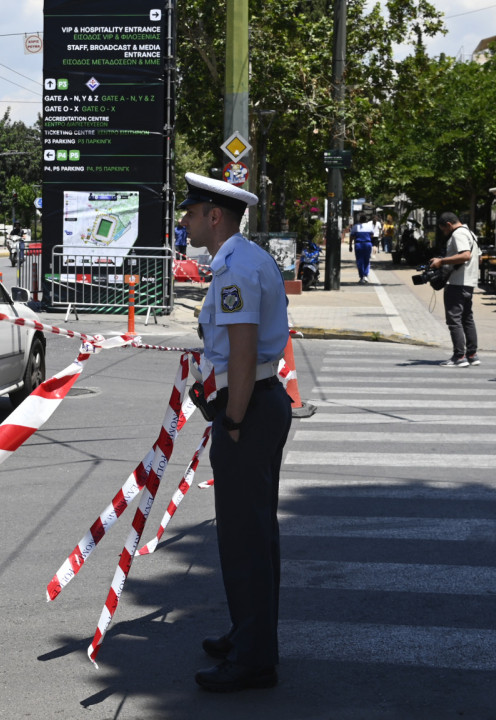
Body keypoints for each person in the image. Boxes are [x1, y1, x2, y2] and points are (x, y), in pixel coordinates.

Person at [178, 172, 291, 693]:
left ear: (214, 216)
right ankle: (251, 634)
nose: (185, 220)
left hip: (250, 407)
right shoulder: (245, 258)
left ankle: (253, 659)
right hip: (261, 402)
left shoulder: (233, 269)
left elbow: (242, 351)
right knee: (256, 533)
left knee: (243, 540)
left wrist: (235, 419)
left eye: (191, 212)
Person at [430, 212, 481, 367]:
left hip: (457, 283)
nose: (444, 233)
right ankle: (472, 354)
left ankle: (459, 356)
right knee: (467, 318)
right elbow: (478, 256)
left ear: (449, 225)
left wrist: (441, 261)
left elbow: (465, 255)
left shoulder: (458, 234)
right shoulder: (471, 234)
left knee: (454, 320)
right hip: (469, 282)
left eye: (444, 230)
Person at [351, 212, 374, 283]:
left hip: (359, 244)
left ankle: (361, 277)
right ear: (365, 220)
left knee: (359, 261)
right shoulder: (369, 226)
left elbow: (352, 236)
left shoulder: (355, 227)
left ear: (360, 220)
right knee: (367, 260)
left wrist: (350, 245)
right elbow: (372, 235)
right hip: (367, 244)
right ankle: (366, 275)